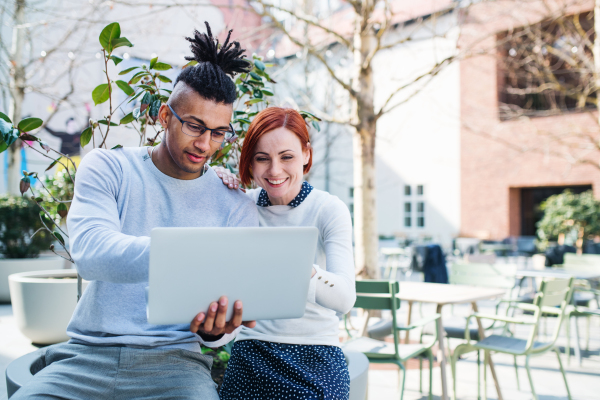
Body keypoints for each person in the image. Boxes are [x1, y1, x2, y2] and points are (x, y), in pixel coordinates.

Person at [12, 23, 257, 400]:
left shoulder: (234, 202)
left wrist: (216, 331)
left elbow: (226, 317)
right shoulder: (108, 168)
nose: (206, 144)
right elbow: (92, 254)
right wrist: (195, 253)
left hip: (178, 365)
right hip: (85, 358)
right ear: (163, 116)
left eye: (219, 132)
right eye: (195, 126)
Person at [210, 107, 356, 400]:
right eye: (262, 159)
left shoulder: (329, 209)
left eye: (286, 157)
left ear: (306, 155)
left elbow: (345, 298)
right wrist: (211, 186)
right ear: (250, 163)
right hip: (252, 350)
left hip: (317, 354)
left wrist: (295, 263)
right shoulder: (242, 205)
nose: (274, 171)